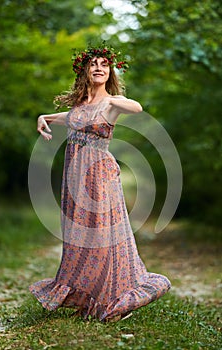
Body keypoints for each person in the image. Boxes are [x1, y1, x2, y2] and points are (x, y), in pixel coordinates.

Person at [29, 44, 171, 322]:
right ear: (85, 70)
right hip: (74, 179)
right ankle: (87, 296)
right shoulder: (81, 106)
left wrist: (111, 101)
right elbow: (70, 119)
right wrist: (43, 117)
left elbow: (137, 107)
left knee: (103, 236)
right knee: (80, 238)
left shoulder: (111, 103)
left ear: (109, 72)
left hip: (100, 179)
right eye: (93, 63)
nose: (98, 67)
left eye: (104, 64)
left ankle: (112, 298)